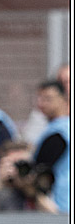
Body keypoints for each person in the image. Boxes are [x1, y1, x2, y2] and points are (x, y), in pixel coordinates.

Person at [30, 79, 70, 213]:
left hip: (61, 202)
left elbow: (41, 167)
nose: (42, 103)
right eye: (40, 98)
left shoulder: (59, 132)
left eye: (48, 98)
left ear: (64, 99)